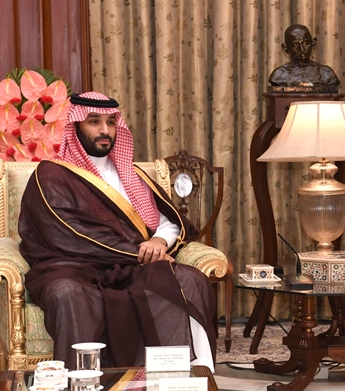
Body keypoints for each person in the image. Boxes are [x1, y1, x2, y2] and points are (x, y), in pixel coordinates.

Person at [18, 91, 217, 371]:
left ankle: (186, 380)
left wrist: (159, 241)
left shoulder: (132, 174)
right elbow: (67, 232)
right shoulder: (51, 174)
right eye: (94, 122)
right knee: (69, 294)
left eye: (111, 122)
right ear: (75, 126)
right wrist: (139, 252)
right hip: (70, 266)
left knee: (190, 279)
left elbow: (168, 221)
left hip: (130, 265)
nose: (104, 130)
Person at [269, 24, 340, 87]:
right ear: (286, 48)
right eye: (295, 45)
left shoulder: (326, 73)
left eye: (305, 43)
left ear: (313, 43)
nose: (302, 49)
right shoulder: (279, 75)